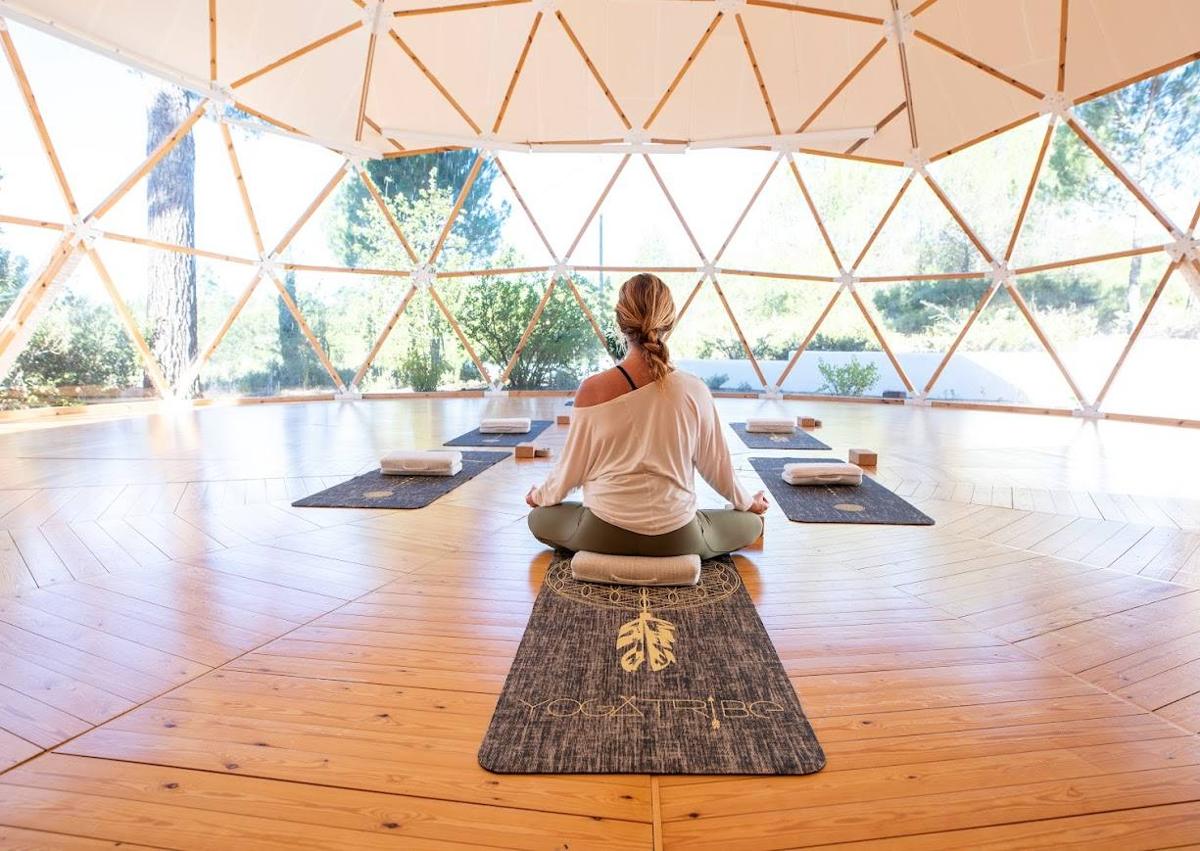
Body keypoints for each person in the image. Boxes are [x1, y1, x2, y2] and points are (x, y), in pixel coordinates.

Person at [525, 272, 768, 559]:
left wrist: (538, 496)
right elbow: (718, 469)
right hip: (678, 538)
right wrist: (747, 504)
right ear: (670, 322)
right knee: (752, 524)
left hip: (602, 533)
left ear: (620, 322)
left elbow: (570, 472)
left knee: (537, 519)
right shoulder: (695, 389)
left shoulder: (592, 389)